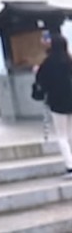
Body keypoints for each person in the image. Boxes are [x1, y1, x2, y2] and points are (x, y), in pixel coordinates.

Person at [34, 32, 72, 177]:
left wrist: (36, 72)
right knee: (70, 134)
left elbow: (42, 82)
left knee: (61, 136)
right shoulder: (69, 61)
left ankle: (70, 166)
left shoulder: (48, 63)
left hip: (57, 101)